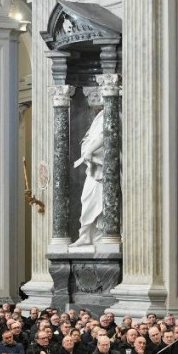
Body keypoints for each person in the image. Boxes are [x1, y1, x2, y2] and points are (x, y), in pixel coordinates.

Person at [69, 88, 105, 247]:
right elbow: (91, 138)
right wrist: (87, 152)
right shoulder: (99, 117)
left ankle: (101, 235)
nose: (94, 103)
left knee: (99, 201)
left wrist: (89, 151)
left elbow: (105, 136)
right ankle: (86, 235)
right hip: (94, 170)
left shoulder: (109, 115)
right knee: (87, 199)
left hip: (103, 171)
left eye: (97, 97)